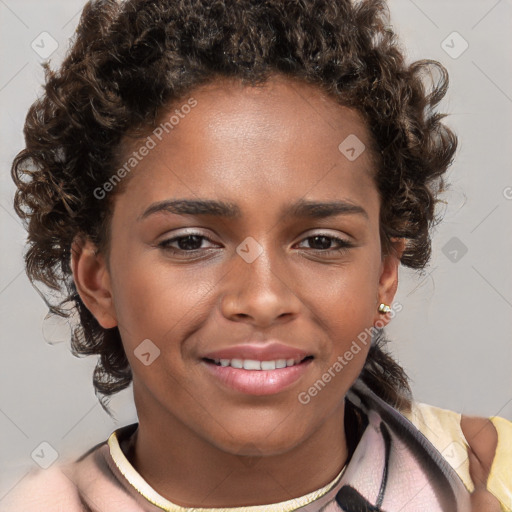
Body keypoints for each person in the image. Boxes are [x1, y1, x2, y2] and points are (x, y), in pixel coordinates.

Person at [3, 0, 511, 510]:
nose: (263, 299)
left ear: (384, 275)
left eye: (321, 242)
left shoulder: (489, 475)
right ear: (98, 281)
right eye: (190, 242)